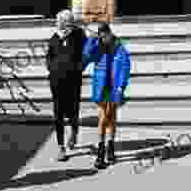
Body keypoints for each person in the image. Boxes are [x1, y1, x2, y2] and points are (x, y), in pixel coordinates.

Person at [82, 22, 131, 169]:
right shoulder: (97, 47)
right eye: (101, 36)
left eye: (105, 35)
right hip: (101, 85)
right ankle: (101, 149)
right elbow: (85, 57)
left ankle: (111, 145)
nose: (104, 38)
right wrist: (91, 40)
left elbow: (125, 66)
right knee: (103, 116)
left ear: (109, 33)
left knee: (112, 116)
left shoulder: (119, 47)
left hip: (115, 86)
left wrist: (122, 86)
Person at [46, 9, 87, 161]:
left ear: (67, 21)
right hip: (56, 81)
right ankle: (61, 147)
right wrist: (51, 68)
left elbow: (87, 52)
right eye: (58, 21)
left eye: (61, 21)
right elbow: (48, 57)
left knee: (73, 110)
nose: (58, 23)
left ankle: (74, 132)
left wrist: (79, 67)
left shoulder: (79, 35)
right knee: (58, 114)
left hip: (73, 80)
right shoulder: (54, 38)